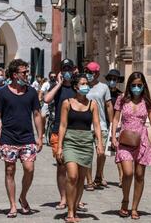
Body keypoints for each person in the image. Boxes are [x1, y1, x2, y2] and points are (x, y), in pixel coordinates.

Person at [0, 59, 43, 218]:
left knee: (29, 169)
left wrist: (40, 136)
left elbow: (37, 114)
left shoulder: (31, 92)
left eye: (27, 72)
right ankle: (13, 205)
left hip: (27, 138)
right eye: (24, 72)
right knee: (10, 170)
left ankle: (23, 196)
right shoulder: (3, 93)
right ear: (15, 75)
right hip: (8, 138)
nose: (27, 74)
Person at [111, 71, 151, 220]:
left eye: (139, 85)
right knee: (127, 173)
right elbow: (115, 119)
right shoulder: (122, 99)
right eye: (133, 85)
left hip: (142, 140)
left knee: (140, 175)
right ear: (129, 85)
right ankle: (125, 200)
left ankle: (134, 208)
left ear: (143, 86)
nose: (136, 88)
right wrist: (113, 136)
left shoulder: (146, 101)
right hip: (125, 140)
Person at [56, 73, 104, 222]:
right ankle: (69, 212)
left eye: (86, 84)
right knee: (72, 176)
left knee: (81, 178)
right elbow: (63, 125)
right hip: (70, 141)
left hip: (86, 142)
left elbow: (96, 125)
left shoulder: (92, 104)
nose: (85, 86)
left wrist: (100, 144)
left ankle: (75, 209)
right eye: (82, 84)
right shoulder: (67, 103)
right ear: (76, 87)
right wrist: (59, 147)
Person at [44, 58, 77, 210]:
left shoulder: (77, 88)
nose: (67, 72)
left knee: (75, 168)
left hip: (75, 130)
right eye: (64, 69)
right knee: (61, 166)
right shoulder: (55, 88)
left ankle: (75, 197)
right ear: (61, 71)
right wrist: (58, 84)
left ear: (73, 70)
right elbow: (46, 99)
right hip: (58, 130)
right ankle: (63, 197)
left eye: (69, 69)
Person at [84, 61, 113, 190]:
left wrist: (112, 124)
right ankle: (89, 180)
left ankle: (98, 176)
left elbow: (108, 105)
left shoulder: (104, 88)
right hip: (85, 124)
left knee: (101, 153)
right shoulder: (83, 86)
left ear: (97, 73)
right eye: (87, 72)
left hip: (101, 124)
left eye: (91, 72)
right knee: (87, 154)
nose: (89, 74)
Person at [105, 69, 125, 187]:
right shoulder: (104, 92)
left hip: (116, 125)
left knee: (118, 151)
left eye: (114, 79)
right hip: (104, 123)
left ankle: (122, 177)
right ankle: (99, 176)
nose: (112, 81)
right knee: (101, 152)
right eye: (110, 79)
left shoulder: (120, 95)